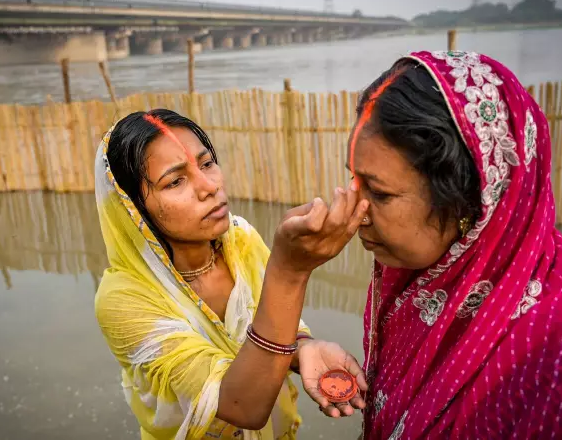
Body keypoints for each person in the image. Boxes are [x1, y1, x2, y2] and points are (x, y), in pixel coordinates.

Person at [347, 51, 562, 439]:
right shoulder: (418, 283)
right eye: (353, 181)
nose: (353, 211)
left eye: (379, 193)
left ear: (470, 200)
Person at [93, 109, 369, 439]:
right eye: (176, 180)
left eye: (207, 163)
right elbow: (242, 406)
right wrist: (289, 271)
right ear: (132, 209)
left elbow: (276, 323)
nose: (210, 186)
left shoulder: (240, 239)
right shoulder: (124, 298)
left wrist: (304, 348)